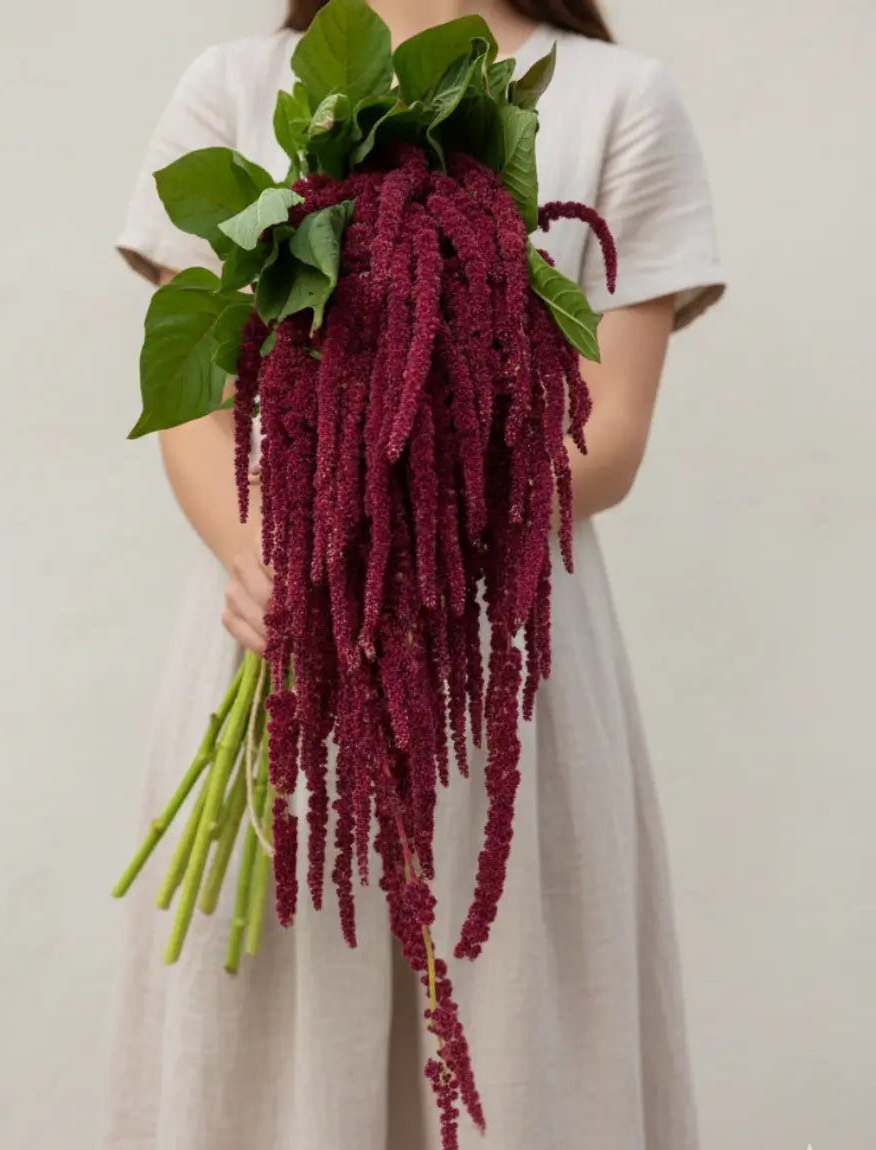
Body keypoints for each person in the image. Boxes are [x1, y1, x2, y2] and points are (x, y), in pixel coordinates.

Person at [104, 1, 725, 1147]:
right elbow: (190, 398)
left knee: (522, 1024)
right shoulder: (236, 88)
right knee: (259, 1037)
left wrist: (390, 519)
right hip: (278, 621)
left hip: (504, 659)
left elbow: (612, 432)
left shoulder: (618, 101)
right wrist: (273, 557)